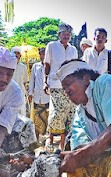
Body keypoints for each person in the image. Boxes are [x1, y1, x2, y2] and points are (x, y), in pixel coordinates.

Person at [44, 23, 78, 151]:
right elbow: (46, 64)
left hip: (70, 86)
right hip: (55, 83)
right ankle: (50, 137)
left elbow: (75, 68)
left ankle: (63, 144)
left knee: (70, 112)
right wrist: (44, 81)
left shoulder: (73, 49)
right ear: (59, 34)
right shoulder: (52, 46)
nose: (66, 36)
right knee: (58, 111)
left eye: (69, 34)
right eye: (64, 33)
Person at [28, 48, 50, 141]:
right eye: (41, 54)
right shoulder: (35, 66)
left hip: (47, 97)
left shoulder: (50, 66)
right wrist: (30, 93)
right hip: (37, 96)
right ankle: (36, 139)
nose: (42, 56)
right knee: (36, 120)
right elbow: (32, 79)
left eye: (44, 54)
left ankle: (48, 140)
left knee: (47, 119)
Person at [11, 46, 29, 116]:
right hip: (10, 94)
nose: (16, 55)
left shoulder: (23, 67)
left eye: (18, 53)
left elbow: (25, 82)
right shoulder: (8, 66)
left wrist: (23, 92)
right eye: (14, 53)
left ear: (20, 56)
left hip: (20, 93)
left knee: (21, 114)